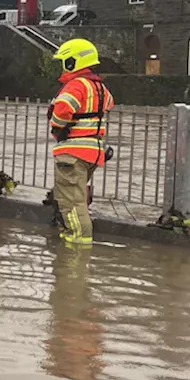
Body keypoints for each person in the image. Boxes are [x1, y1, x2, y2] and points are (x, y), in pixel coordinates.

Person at [48, 38, 115, 247]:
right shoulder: (100, 87)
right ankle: (75, 239)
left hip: (72, 152)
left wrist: (57, 127)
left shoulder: (76, 85)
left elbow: (62, 108)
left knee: (72, 203)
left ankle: (76, 246)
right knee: (79, 197)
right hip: (93, 151)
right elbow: (110, 104)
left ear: (72, 62)